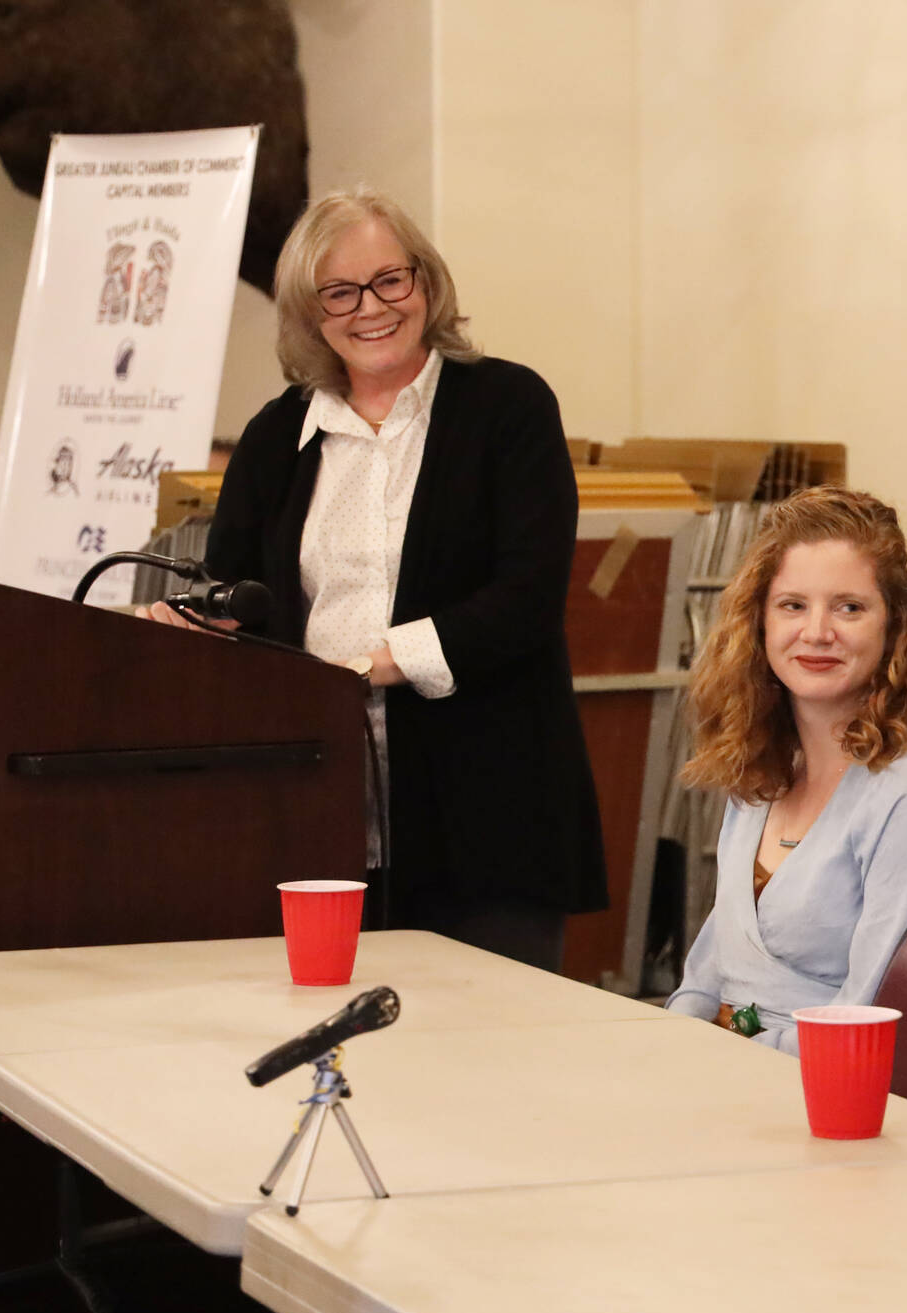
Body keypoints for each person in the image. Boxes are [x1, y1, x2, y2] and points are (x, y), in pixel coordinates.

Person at [143, 187, 605, 969]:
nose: (372, 308)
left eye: (391, 279)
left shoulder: (508, 406)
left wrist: (375, 663)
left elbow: (527, 598)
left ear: (425, 280)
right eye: (341, 292)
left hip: (488, 807)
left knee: (495, 1034)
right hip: (321, 804)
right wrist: (205, 630)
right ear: (310, 311)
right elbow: (240, 596)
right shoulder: (275, 436)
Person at [665, 486, 907, 1052]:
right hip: (733, 1068)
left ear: (894, 627)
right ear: (759, 621)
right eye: (793, 605)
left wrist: (725, 1059)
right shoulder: (766, 761)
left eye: (849, 607)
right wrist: (671, 1045)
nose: (817, 632)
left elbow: (872, 1021)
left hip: (837, 1086)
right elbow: (710, 973)